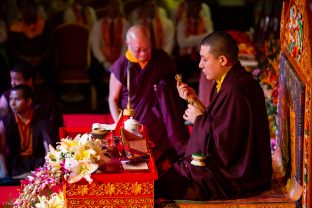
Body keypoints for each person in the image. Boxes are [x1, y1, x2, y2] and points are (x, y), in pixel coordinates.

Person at [155, 31, 272, 200]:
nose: (200, 65)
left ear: (222, 60)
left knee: (172, 180)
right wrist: (193, 99)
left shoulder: (235, 91)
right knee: (173, 162)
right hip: (237, 163)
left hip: (238, 173)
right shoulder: (233, 80)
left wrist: (198, 120)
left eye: (204, 59)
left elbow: (225, 147)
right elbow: (219, 123)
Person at [108, 25, 189, 171]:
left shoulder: (162, 58)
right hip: (134, 124)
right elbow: (112, 99)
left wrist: (166, 89)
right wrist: (118, 125)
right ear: (128, 45)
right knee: (138, 165)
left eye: (146, 48)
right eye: (138, 49)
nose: (143, 53)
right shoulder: (121, 65)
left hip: (161, 121)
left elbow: (175, 85)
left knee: (164, 161)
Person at [0, 85, 57, 180]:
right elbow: (0, 151)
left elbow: (49, 148)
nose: (12, 103)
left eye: (17, 99)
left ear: (28, 101)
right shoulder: (5, 122)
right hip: (16, 164)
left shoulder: (42, 120)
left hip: (37, 163)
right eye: (10, 99)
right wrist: (5, 176)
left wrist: (47, 170)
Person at [0, 61, 63, 142]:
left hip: (39, 140)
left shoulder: (45, 97)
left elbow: (55, 123)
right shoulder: (5, 97)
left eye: (17, 79)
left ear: (29, 81)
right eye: (11, 79)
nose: (13, 83)